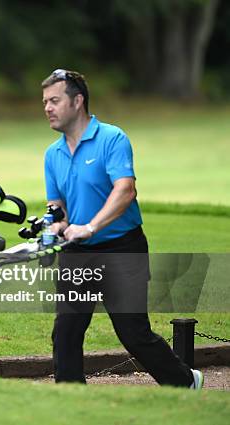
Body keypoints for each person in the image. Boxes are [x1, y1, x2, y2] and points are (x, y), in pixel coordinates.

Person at [41, 68, 203, 388]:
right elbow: (56, 205)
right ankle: (69, 399)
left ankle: (185, 382)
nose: (47, 107)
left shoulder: (112, 139)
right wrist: (55, 224)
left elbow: (125, 190)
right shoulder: (52, 153)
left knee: (133, 333)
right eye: (45, 101)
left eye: (55, 100)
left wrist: (90, 226)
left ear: (77, 101)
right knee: (66, 332)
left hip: (121, 248)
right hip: (77, 253)